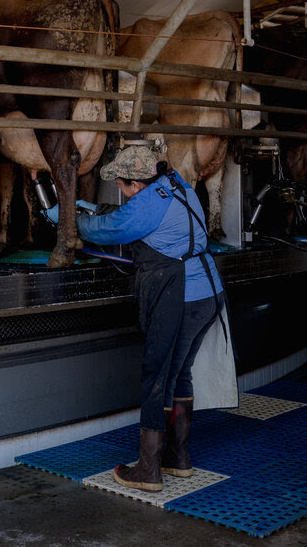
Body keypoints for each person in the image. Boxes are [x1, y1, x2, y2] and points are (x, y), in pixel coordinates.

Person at [74, 145, 231, 493]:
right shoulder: (177, 184)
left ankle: (148, 470)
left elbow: (109, 231)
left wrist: (74, 220)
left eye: (122, 186)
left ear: (136, 185)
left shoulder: (145, 205)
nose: (121, 191)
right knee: (179, 373)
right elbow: (140, 213)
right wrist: (104, 210)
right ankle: (178, 459)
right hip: (208, 292)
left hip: (181, 297)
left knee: (156, 375)